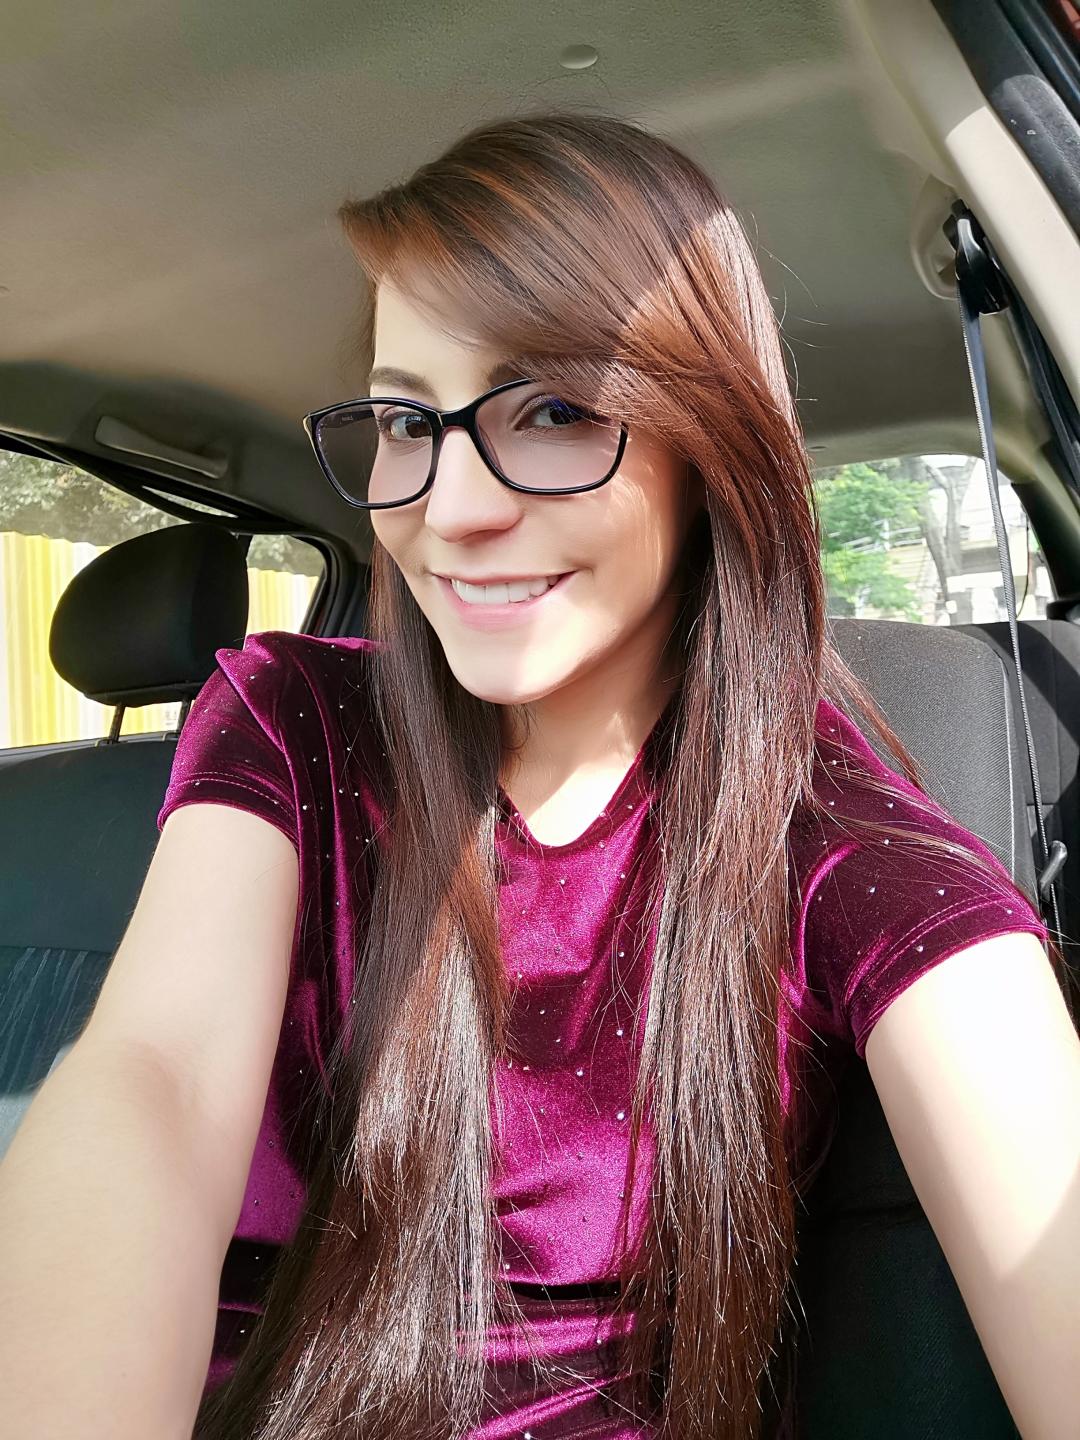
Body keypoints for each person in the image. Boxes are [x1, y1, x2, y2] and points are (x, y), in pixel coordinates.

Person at [2, 110, 1078, 1440]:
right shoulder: (295, 720)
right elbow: (151, 1084)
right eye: (408, 419)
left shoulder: (827, 835)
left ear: (709, 448)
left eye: (556, 411)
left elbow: (1036, 1153)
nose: (452, 507)